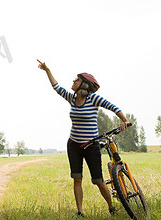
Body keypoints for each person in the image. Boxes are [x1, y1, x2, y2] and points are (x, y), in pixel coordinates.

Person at [37, 60, 131, 218]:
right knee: (77, 179)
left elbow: (113, 107)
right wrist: (47, 70)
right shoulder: (72, 98)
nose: (73, 81)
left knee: (98, 180)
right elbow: (56, 87)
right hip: (73, 145)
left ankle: (110, 206)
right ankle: (80, 211)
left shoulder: (94, 99)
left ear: (84, 85)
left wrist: (124, 120)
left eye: (77, 79)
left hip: (91, 146)